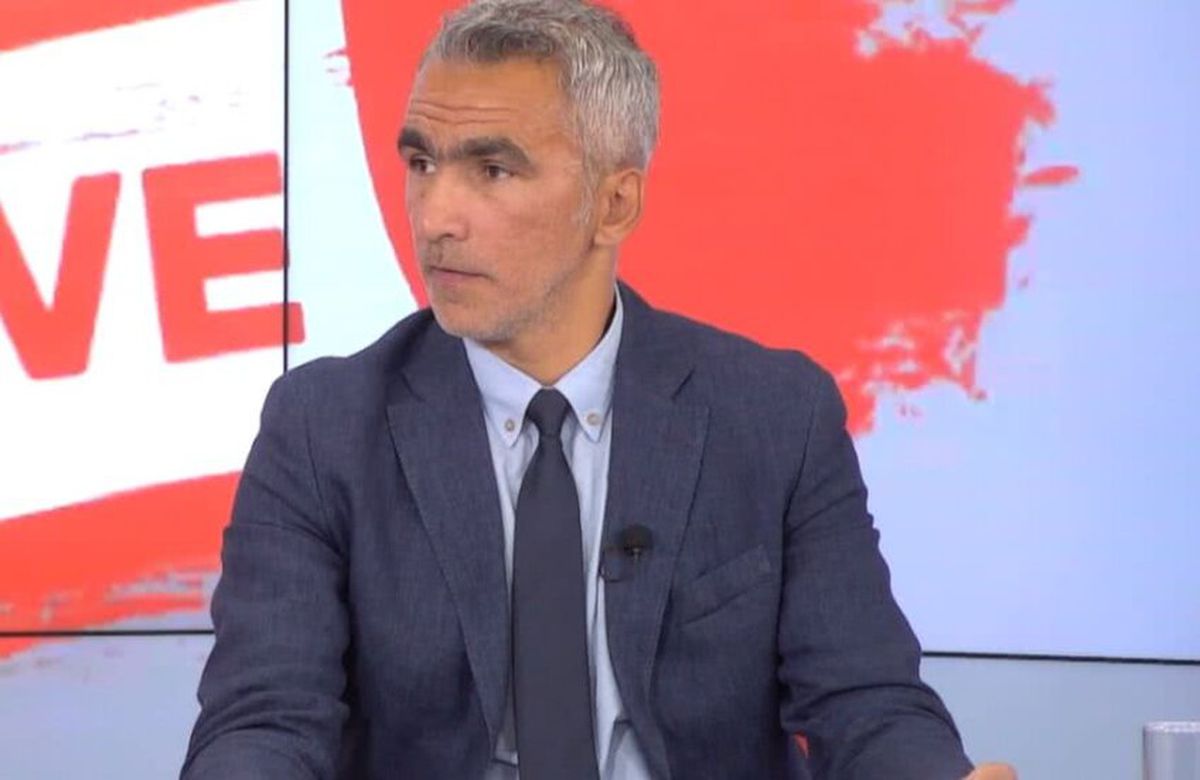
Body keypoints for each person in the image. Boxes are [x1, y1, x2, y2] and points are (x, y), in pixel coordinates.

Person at [182, 1, 1015, 778]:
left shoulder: (774, 417)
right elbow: (265, 722)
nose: (435, 216)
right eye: (422, 162)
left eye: (492, 170)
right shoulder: (322, 428)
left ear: (614, 204)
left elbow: (865, 703)